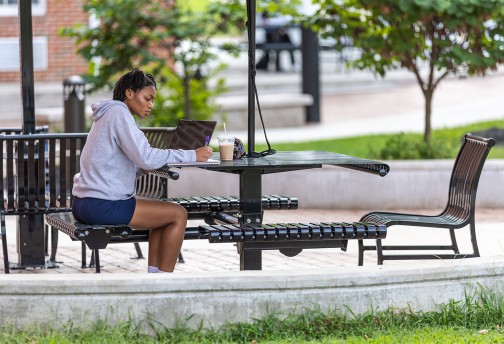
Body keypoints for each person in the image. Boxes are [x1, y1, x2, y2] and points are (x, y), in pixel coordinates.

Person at [72, 68, 213, 273]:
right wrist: (192, 155)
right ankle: (164, 285)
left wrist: (143, 170)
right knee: (178, 214)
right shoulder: (118, 113)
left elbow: (116, 165)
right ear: (130, 93)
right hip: (102, 204)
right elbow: (145, 155)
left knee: (162, 218)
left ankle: (154, 276)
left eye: (153, 100)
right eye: (147, 98)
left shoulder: (108, 114)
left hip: (84, 203)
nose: (150, 105)